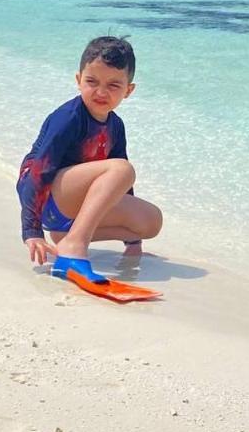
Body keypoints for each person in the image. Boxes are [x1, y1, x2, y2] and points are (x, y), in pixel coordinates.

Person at [16, 36, 163, 280]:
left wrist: (133, 242)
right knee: (123, 169)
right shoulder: (68, 117)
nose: (101, 92)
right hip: (47, 197)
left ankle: (68, 237)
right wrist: (31, 231)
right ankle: (75, 246)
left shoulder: (116, 126)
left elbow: (121, 188)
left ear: (129, 90)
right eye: (92, 81)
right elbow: (37, 171)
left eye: (114, 85)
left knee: (150, 222)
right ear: (78, 80)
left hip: (72, 207)